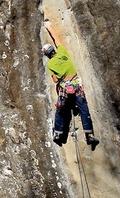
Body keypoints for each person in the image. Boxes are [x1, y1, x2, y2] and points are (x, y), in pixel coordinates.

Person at [42, 20, 99, 151]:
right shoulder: (63, 53)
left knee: (60, 110)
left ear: (46, 55)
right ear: (53, 50)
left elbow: (55, 80)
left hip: (64, 91)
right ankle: (89, 135)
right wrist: (49, 27)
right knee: (84, 109)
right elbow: (57, 39)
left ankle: (58, 133)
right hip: (76, 87)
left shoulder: (50, 65)